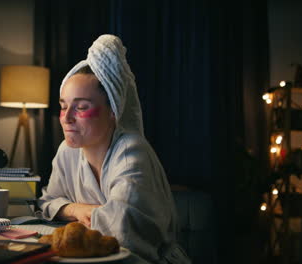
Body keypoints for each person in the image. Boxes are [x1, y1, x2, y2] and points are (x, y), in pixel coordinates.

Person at [38, 34, 190, 263]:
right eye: (63, 106)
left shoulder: (131, 152)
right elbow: (48, 202)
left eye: (81, 107)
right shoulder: (67, 152)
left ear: (113, 112)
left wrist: (71, 211)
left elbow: (121, 229)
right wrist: (77, 209)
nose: (66, 118)